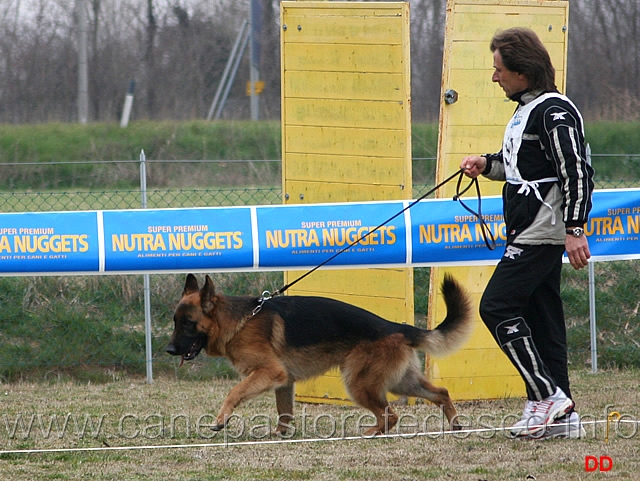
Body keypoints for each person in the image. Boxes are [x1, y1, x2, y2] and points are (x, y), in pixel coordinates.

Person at [460, 27, 594, 439]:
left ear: (523, 70)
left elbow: (576, 171)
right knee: (543, 320)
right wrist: (487, 164)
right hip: (528, 225)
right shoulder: (526, 108)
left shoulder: (555, 111)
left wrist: (575, 227)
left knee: (496, 306)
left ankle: (545, 396)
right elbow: (524, 167)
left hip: (542, 228)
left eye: (499, 69)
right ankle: (564, 418)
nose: (495, 76)